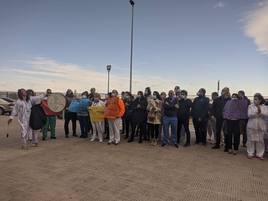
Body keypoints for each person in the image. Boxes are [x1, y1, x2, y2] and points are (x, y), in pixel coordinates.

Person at [247, 93, 268, 160]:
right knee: (251, 140)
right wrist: (257, 112)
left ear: (260, 100)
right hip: (251, 125)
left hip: (261, 126)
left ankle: (260, 154)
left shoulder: (265, 107)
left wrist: (260, 111)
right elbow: (249, 115)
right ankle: (250, 153)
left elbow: (266, 115)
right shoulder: (250, 106)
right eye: (254, 99)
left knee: (260, 140)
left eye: (256, 99)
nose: (255, 100)